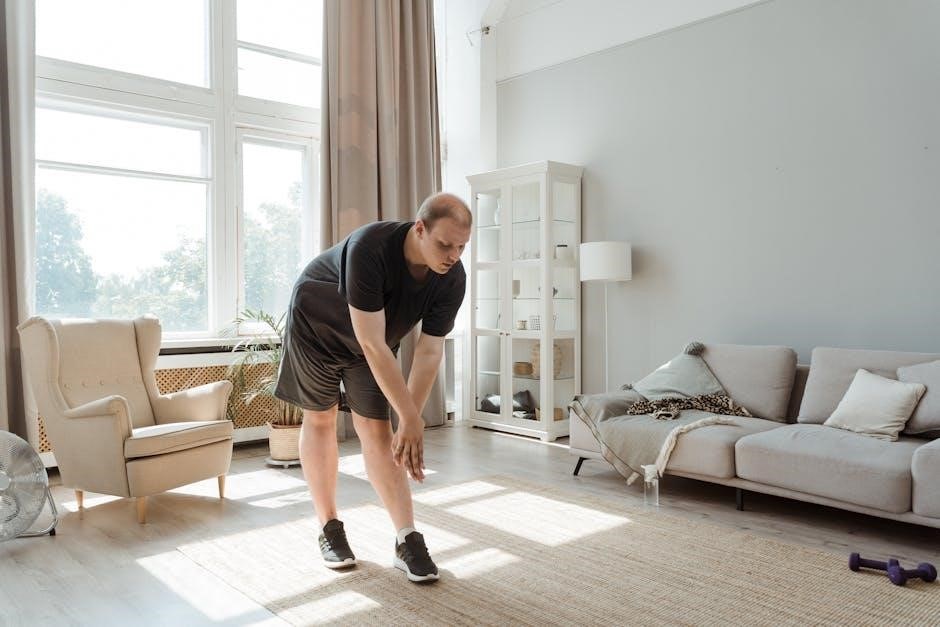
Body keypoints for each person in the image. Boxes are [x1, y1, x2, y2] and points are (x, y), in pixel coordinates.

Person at [274, 192, 471, 583]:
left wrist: (410, 420)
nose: (453, 255)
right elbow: (372, 344)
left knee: (378, 430)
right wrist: (409, 417)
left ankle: (406, 537)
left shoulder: (452, 279)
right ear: (420, 229)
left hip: (373, 340)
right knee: (321, 419)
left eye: (462, 247)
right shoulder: (371, 248)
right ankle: (329, 527)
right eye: (445, 244)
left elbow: (430, 351)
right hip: (317, 328)